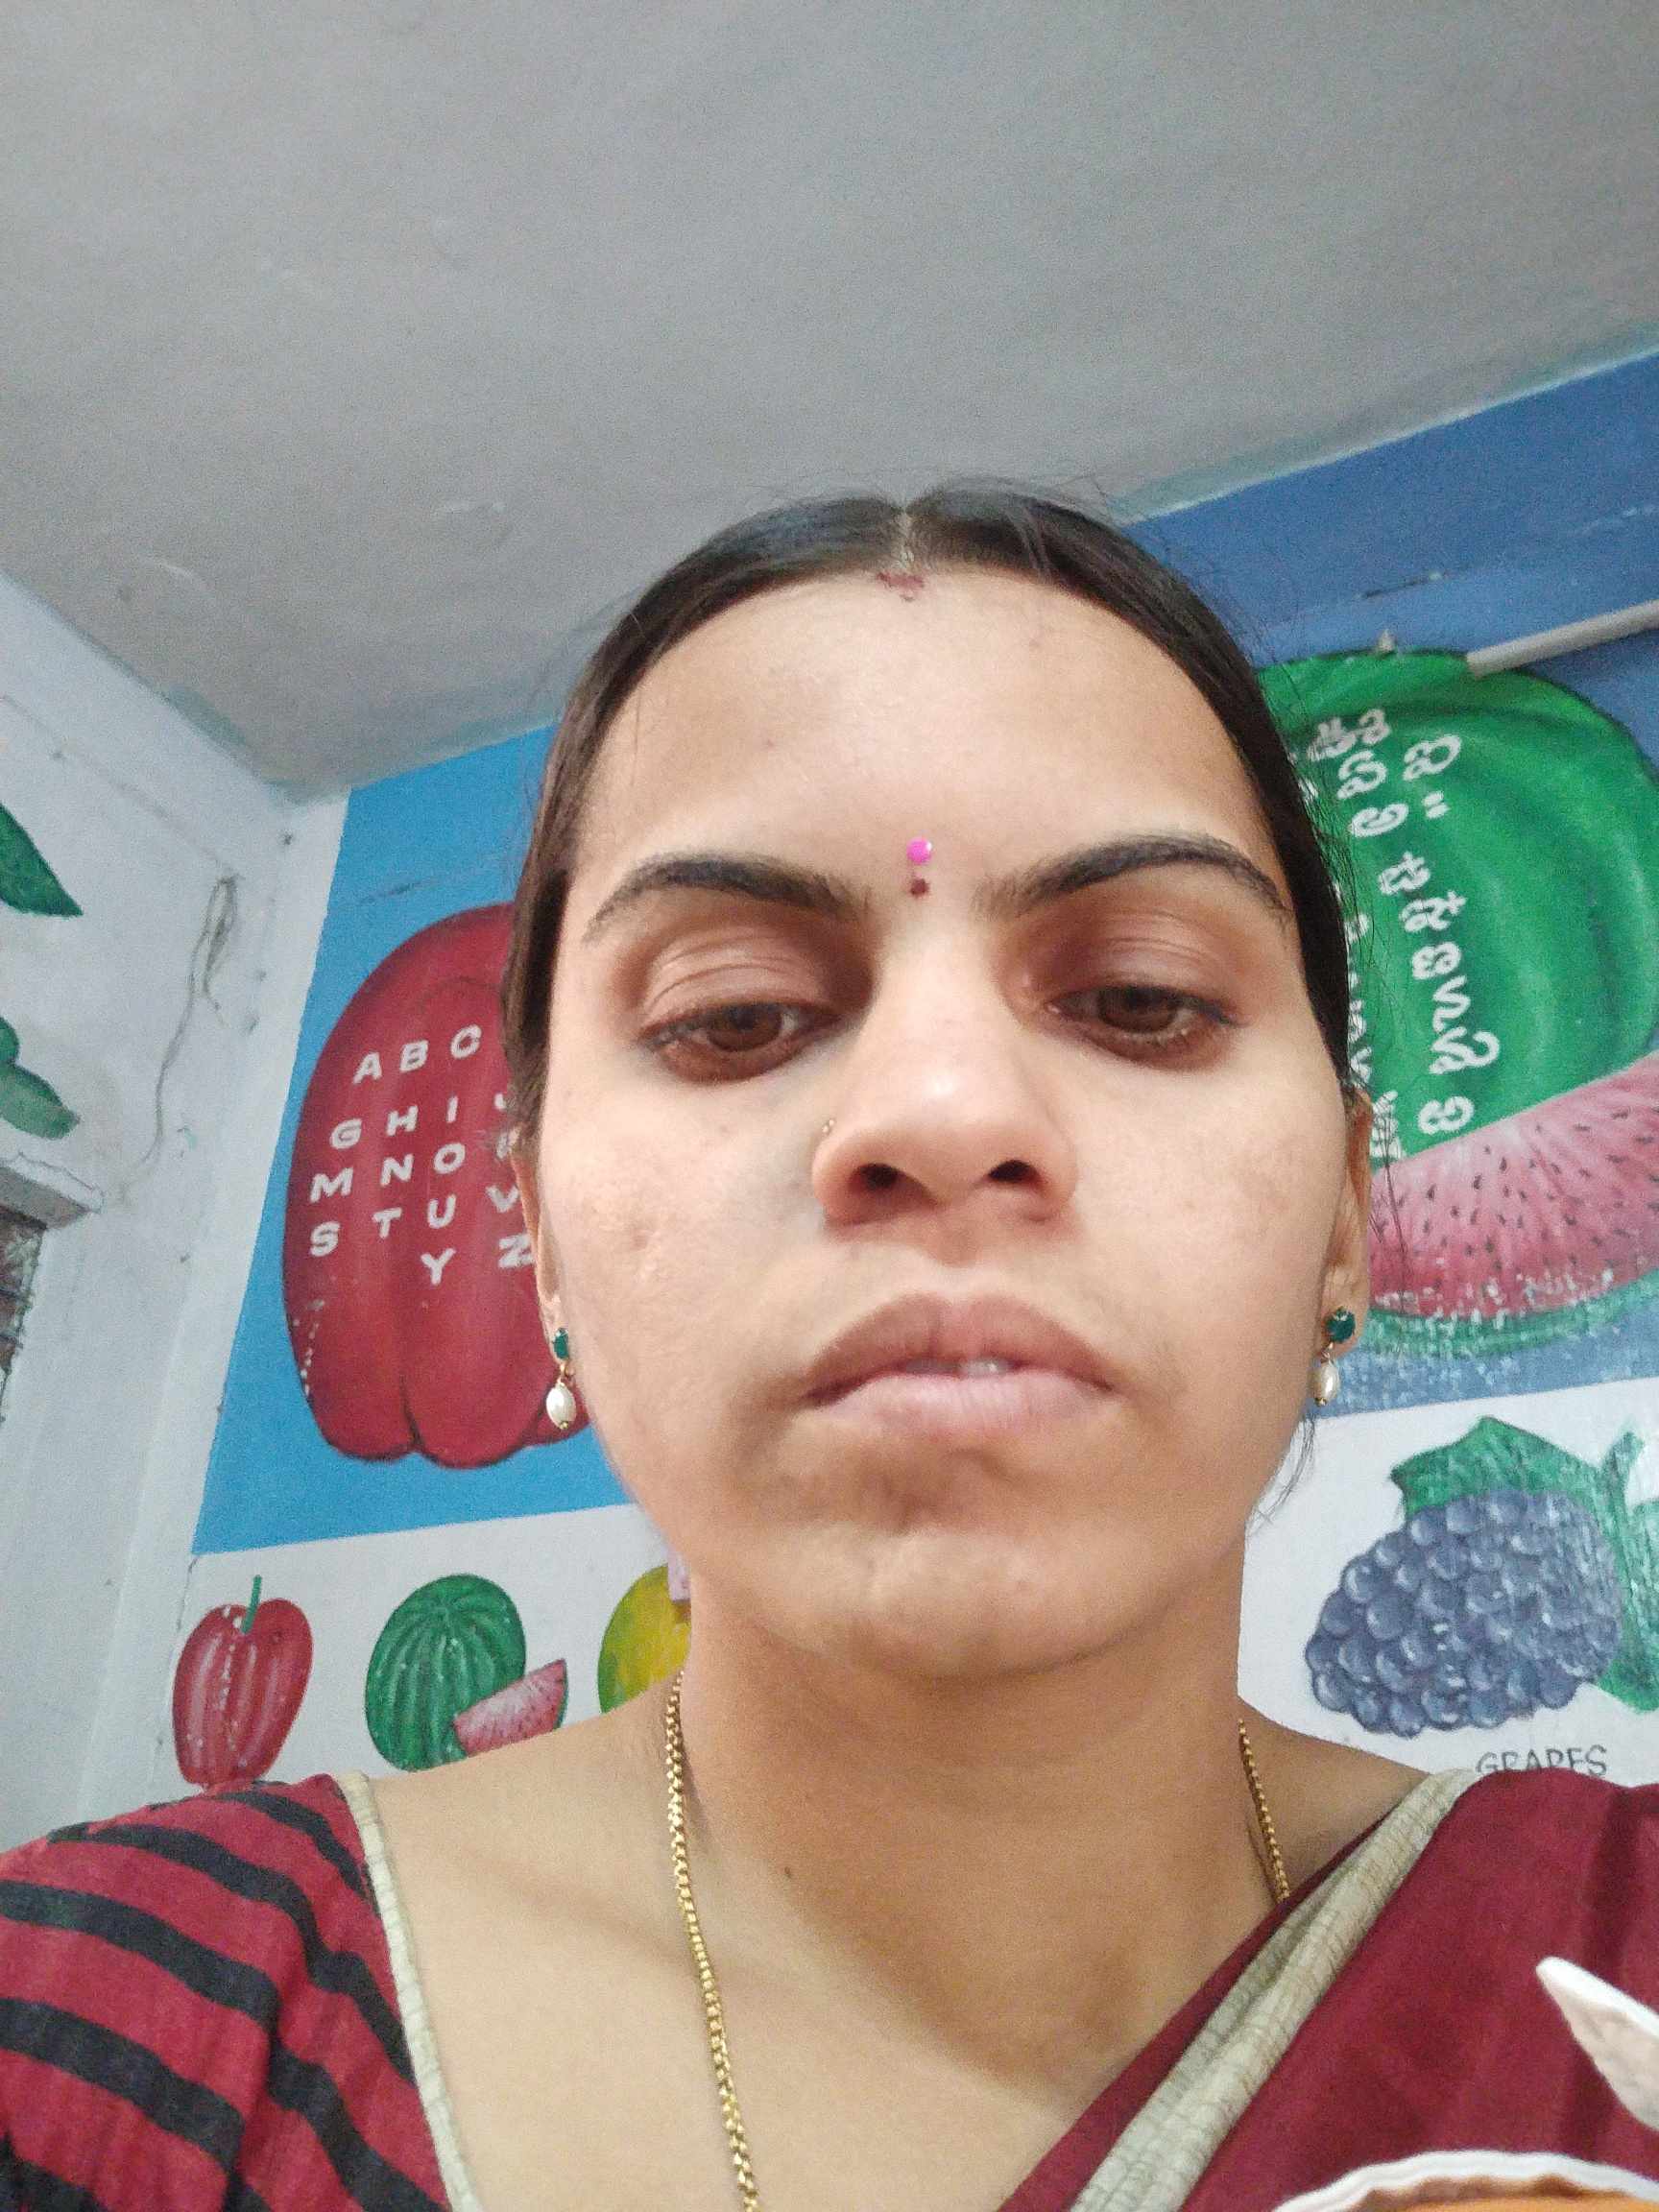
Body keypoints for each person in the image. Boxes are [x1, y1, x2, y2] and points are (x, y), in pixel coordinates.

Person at [2, 488, 1655, 2212]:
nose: (942, 1109)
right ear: (544, 1238)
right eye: (732, 1013)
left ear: (1342, 1220)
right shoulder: (91, 2043)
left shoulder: (1621, 1969)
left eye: (1143, 996)